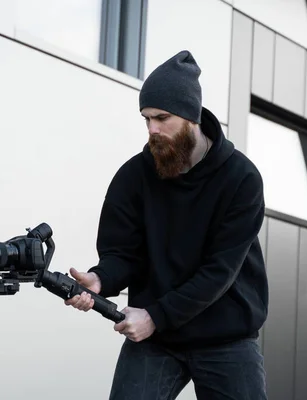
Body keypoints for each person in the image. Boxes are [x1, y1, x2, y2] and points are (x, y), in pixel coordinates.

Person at [65, 50, 269, 399]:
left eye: (162, 118)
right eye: (146, 119)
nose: (152, 130)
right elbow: (123, 252)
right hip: (156, 339)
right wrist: (101, 278)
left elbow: (219, 272)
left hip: (225, 335)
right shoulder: (134, 176)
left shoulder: (241, 179)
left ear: (192, 117)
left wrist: (155, 316)